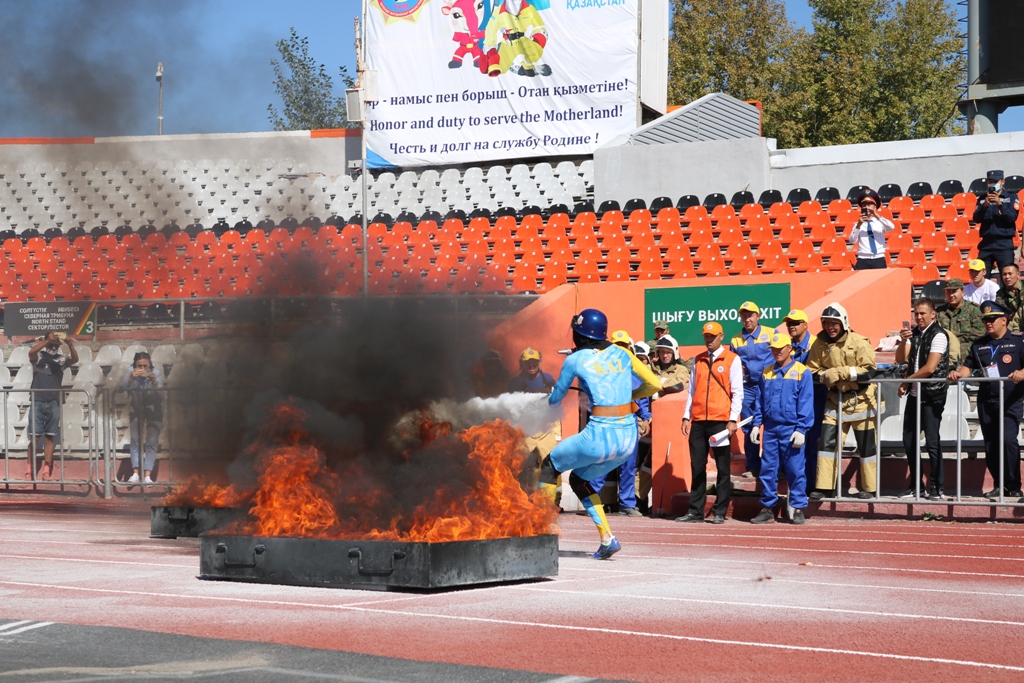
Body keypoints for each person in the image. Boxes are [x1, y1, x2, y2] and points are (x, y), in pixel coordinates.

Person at [542, 310, 661, 558]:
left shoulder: (574, 360)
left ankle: (540, 533)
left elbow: (555, 401)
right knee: (579, 480)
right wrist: (626, 398)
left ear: (580, 334)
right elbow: (654, 385)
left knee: (548, 465)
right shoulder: (624, 353)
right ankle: (607, 539)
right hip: (628, 438)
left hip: (599, 437)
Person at [949, 301, 1024, 499]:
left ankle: (1013, 483)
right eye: (985, 320)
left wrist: (1021, 372)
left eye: (992, 319)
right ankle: (999, 484)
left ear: (1004, 320)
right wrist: (958, 374)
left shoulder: (1018, 341)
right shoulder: (979, 344)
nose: (988, 323)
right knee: (991, 444)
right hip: (987, 400)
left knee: (1008, 440)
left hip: (1010, 399)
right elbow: (968, 367)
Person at [806, 304, 879, 500]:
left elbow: (869, 371)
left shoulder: (859, 341)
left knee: (867, 447)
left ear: (843, 323)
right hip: (834, 400)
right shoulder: (818, 343)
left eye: (834, 323)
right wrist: (824, 376)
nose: (830, 327)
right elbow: (811, 371)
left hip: (861, 400)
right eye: (827, 323)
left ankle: (870, 488)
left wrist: (842, 372)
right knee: (827, 444)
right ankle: (824, 487)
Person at [677, 321, 744, 524]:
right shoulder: (698, 360)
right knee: (697, 466)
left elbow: (737, 392)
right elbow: (692, 391)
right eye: (706, 335)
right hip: (698, 421)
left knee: (723, 468)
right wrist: (686, 416)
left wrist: (733, 419)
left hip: (720, 422)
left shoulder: (732, 359)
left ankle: (719, 511)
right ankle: (695, 511)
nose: (709, 339)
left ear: (721, 336)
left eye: (712, 336)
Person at [749, 332, 813, 524]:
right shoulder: (766, 372)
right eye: (773, 349)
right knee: (768, 469)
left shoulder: (803, 372)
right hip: (770, 429)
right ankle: (768, 507)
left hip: (791, 429)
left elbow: (806, 403)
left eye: (779, 349)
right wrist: (755, 425)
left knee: (795, 469)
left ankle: (798, 507)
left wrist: (801, 429)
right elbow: (759, 402)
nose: (776, 352)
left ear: (789, 349)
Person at [588, 331, 650, 518]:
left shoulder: (636, 372)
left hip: (629, 424)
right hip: (608, 423)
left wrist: (645, 417)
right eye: (617, 346)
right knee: (602, 463)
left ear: (629, 349)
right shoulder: (601, 371)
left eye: (624, 346)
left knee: (628, 467)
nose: (621, 349)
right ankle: (593, 501)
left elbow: (642, 399)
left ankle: (627, 504)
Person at [896, 298, 951, 500]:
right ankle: (916, 485)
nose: (918, 317)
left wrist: (906, 381)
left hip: (932, 395)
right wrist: (903, 340)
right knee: (909, 441)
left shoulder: (939, 335)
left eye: (922, 313)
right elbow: (899, 358)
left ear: (933, 314)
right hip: (915, 395)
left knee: (932, 442)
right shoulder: (915, 334)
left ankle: (937, 486)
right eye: (916, 313)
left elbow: (930, 368)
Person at [26, 332, 78, 481]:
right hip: (37, 401)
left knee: (50, 437)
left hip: (54, 402)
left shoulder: (60, 360)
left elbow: (74, 359)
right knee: (34, 438)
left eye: (56, 345)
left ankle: (46, 470)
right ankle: (30, 468)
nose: (54, 347)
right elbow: (31, 352)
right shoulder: (39, 356)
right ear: (46, 343)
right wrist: (46, 341)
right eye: (51, 345)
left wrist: (70, 344)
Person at [730, 301, 773, 477]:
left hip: (768, 384)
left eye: (750, 315)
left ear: (758, 316)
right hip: (747, 387)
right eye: (744, 315)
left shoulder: (771, 333)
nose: (747, 319)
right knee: (748, 425)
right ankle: (753, 466)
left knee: (771, 423)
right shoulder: (735, 339)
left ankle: (772, 466)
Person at [507, 348, 559, 490]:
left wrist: (556, 430)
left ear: (539, 362)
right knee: (521, 466)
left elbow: (557, 404)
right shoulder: (515, 383)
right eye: (527, 362)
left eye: (534, 362)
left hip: (546, 431)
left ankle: (553, 502)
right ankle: (522, 498)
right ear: (521, 364)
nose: (531, 365)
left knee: (550, 466)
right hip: (525, 431)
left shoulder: (548, 380)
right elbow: (509, 408)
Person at [118, 352, 165, 485]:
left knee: (151, 441)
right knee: (135, 440)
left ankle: (148, 475)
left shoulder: (156, 372)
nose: (142, 369)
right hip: (136, 409)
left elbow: (162, 394)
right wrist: (131, 379)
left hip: (154, 409)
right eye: (139, 366)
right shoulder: (130, 371)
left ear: (150, 364)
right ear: (135, 365)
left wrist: (154, 381)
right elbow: (120, 388)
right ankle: (135, 473)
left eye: (145, 366)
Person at [973, 170, 1019, 277]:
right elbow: (976, 218)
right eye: (990, 181)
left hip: (1004, 243)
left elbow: (1012, 218)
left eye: (995, 181)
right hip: (986, 244)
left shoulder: (1011, 197)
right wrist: (984, 205)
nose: (992, 183)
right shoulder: (982, 199)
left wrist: (1000, 204)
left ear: (1002, 182)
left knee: (1007, 277)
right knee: (981, 277)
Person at [632, 342, 656, 515]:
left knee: (647, 464)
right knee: (635, 464)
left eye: (644, 359)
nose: (641, 362)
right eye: (637, 359)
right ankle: (637, 501)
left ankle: (639, 499)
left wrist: (646, 418)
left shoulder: (651, 377)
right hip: (639, 422)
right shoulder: (632, 376)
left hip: (653, 425)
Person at [848, 188, 897, 270]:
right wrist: (859, 225)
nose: (867, 207)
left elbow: (891, 227)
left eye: (870, 204)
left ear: (875, 206)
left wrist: (876, 214)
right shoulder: (858, 224)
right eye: (864, 205)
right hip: (863, 258)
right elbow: (852, 240)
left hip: (878, 257)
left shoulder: (880, 222)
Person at [938, 279, 983, 367]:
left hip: (965, 353)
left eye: (954, 291)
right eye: (948, 292)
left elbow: (978, 334)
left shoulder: (974, 310)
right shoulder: (939, 312)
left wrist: (954, 341)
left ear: (963, 292)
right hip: (945, 350)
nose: (951, 295)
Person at [996, 264, 1024, 332]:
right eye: (1004, 274)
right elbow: (1004, 312)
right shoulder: (1001, 293)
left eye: (1010, 274)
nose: (1007, 277)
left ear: (1018, 274)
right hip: (1011, 324)